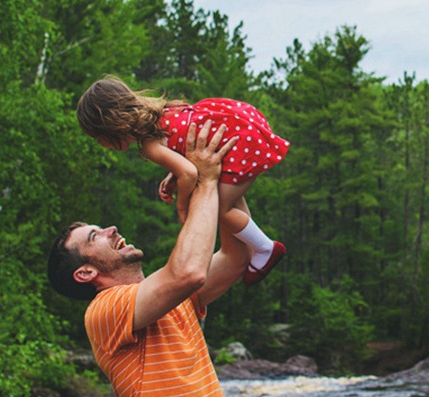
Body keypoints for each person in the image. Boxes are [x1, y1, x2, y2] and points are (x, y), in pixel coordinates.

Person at [48, 121, 245, 397]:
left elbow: (237, 257)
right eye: (95, 236)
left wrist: (225, 170)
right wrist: (206, 182)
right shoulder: (103, 311)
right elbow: (189, 272)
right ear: (86, 272)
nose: (111, 229)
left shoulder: (172, 298)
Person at [77, 76, 287, 285]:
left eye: (98, 137)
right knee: (222, 200)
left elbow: (189, 173)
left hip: (240, 143)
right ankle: (253, 249)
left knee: (222, 208)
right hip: (243, 124)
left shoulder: (150, 145)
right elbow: (184, 145)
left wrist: (182, 205)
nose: (102, 145)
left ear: (111, 125)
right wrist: (173, 174)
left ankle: (265, 248)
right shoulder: (163, 113)